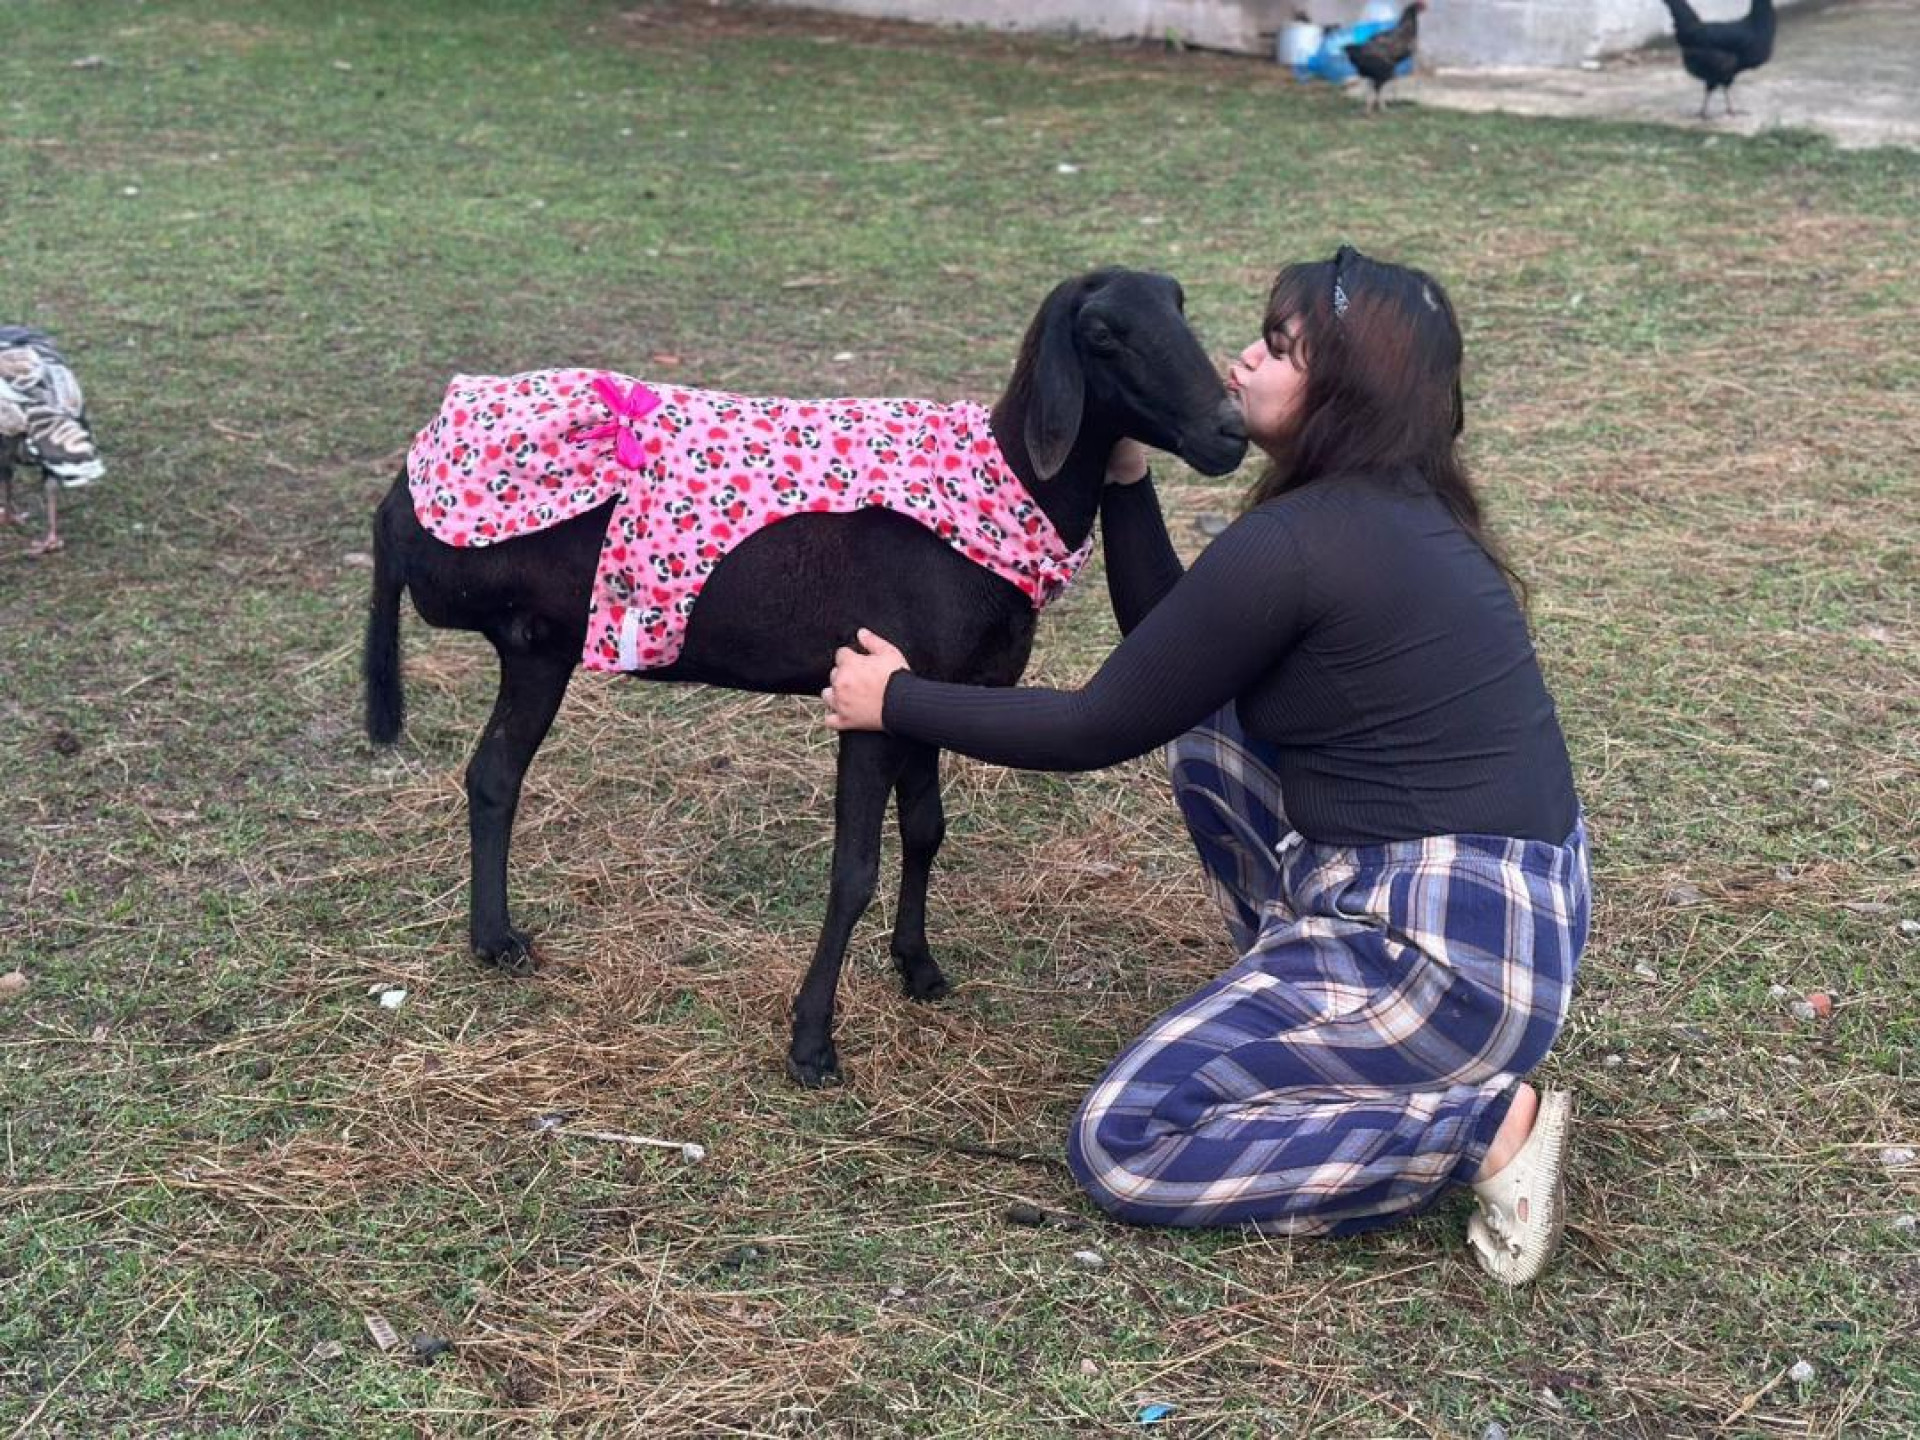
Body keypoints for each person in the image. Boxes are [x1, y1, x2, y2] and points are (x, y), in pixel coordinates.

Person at [820, 247, 1589, 1285]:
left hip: (1436, 963)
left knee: (1128, 1143)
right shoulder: (1395, 512)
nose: (1240, 361)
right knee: (1213, 732)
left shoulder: (1305, 541)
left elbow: (1101, 723)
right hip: (1504, 932)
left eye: (1277, 349)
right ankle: (1330, 1016)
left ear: (1345, 393)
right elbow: (1170, 659)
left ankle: (1482, 1131)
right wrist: (1128, 475)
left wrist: (897, 699)